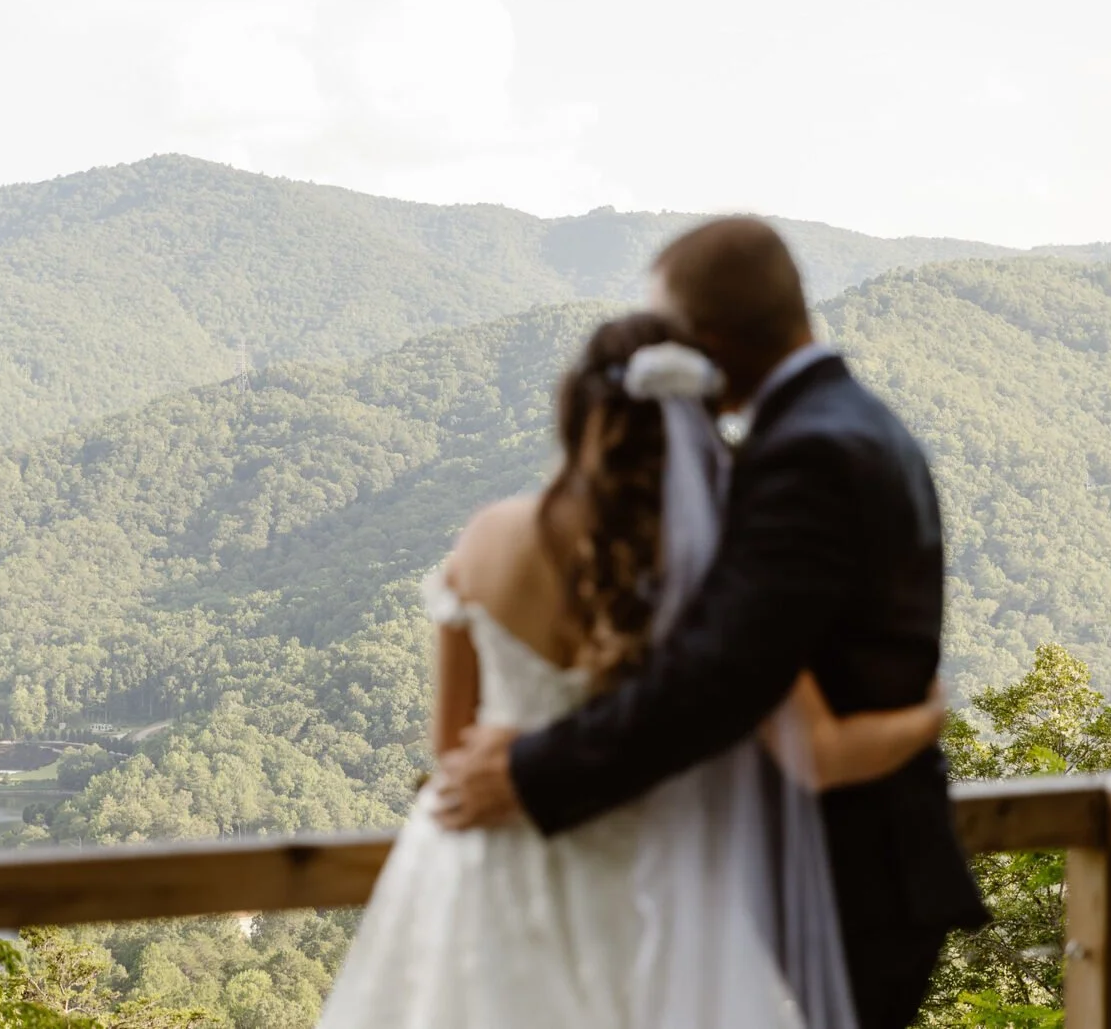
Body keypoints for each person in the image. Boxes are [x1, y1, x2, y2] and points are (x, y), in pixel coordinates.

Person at [318, 306, 950, 1029]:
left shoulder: (491, 536)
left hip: (484, 869)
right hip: (650, 888)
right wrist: (926, 715)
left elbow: (449, 748)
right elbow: (816, 749)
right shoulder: (712, 580)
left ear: (577, 408)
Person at [434, 218, 989, 1029]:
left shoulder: (808, 453)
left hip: (846, 882)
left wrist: (531, 769)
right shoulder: (853, 422)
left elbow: (721, 676)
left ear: (714, 342)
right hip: (851, 865)